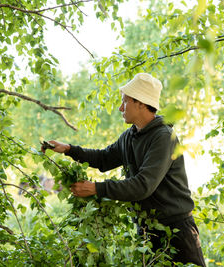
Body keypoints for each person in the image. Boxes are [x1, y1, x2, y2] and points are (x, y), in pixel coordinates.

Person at [45, 73, 206, 266]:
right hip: (147, 232)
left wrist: (96, 188)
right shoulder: (129, 136)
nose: (121, 108)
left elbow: (142, 186)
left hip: (177, 232)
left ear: (141, 103)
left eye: (125, 102)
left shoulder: (163, 137)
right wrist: (69, 149)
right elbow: (104, 158)